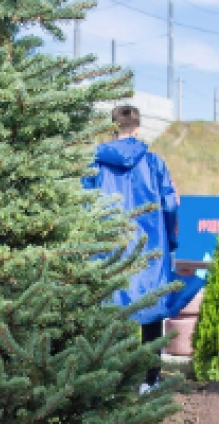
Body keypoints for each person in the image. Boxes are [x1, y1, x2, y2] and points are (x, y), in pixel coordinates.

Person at [83, 104, 196, 392]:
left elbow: (83, 206)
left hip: (109, 248)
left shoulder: (95, 163)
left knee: (109, 312)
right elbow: (170, 204)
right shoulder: (154, 163)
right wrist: (170, 241)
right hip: (150, 248)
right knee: (152, 312)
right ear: (138, 128)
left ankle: (108, 379)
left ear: (112, 128)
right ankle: (150, 380)